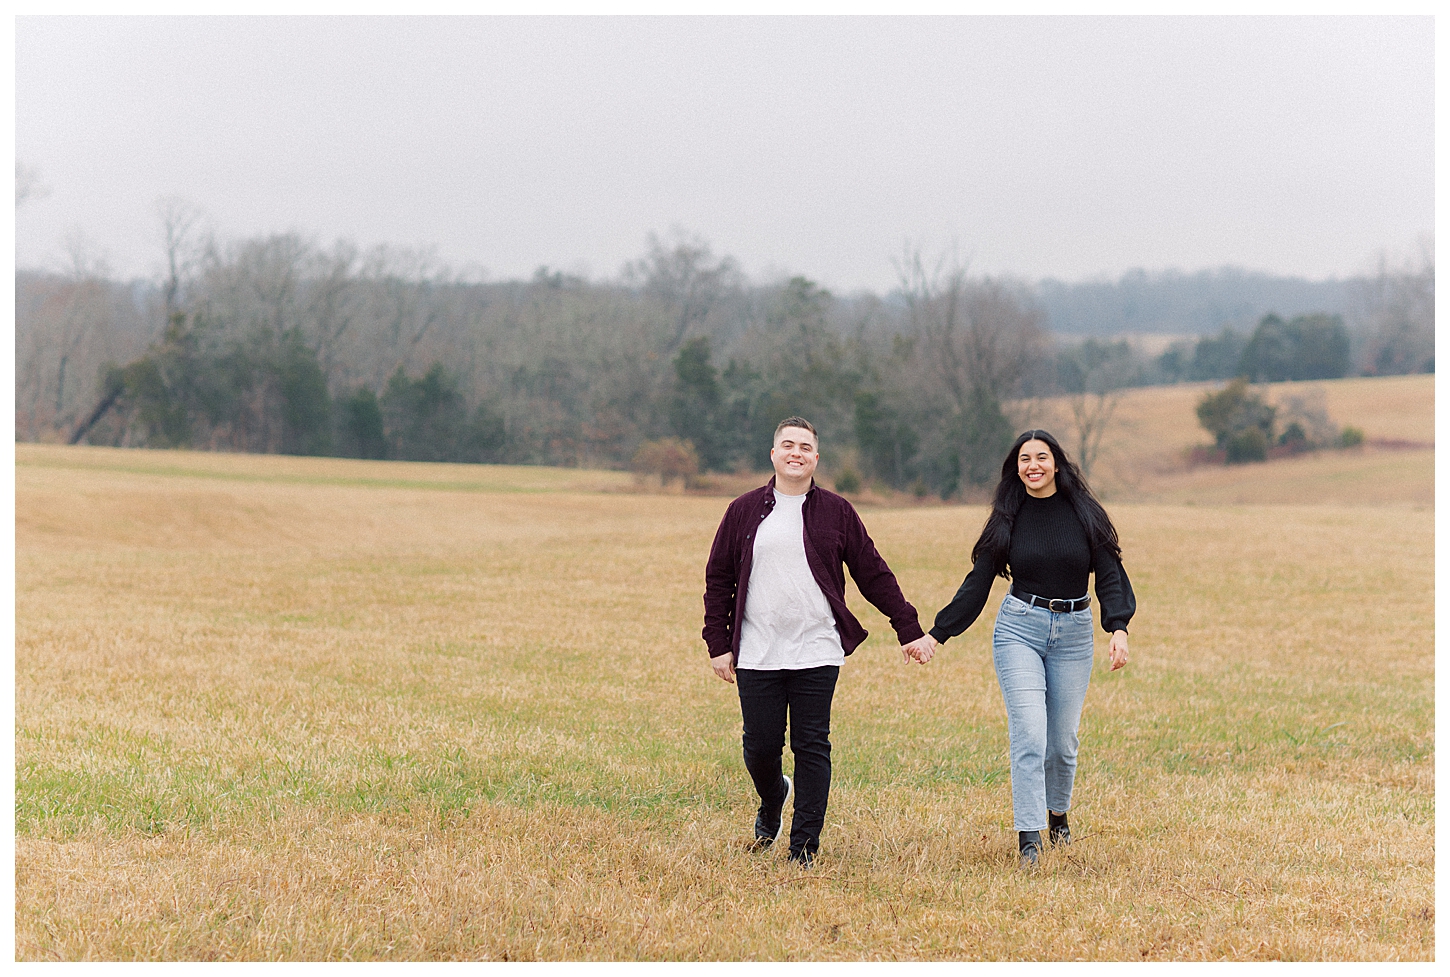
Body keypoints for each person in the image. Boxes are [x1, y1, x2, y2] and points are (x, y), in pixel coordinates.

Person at [703, 416, 933, 867]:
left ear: (816, 458)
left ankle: (803, 849)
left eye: (805, 447)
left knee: (812, 744)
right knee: (761, 746)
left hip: (817, 649)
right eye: (787, 445)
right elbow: (719, 579)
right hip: (758, 649)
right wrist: (718, 643)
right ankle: (773, 798)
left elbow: (873, 572)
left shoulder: (837, 512)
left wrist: (907, 627)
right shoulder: (743, 510)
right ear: (773, 454)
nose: (796, 453)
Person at [911, 429, 1134, 866]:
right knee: (1030, 734)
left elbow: (1110, 572)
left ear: (1057, 464)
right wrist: (937, 633)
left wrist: (1119, 628)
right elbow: (978, 583)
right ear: (1016, 467)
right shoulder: (1007, 517)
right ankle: (1028, 836)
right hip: (1020, 631)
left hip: (1073, 633)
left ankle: (1058, 816)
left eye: (1042, 457)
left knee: (1062, 743)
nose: (1033, 465)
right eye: (1024, 459)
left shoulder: (1085, 513)